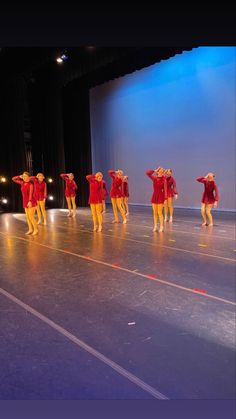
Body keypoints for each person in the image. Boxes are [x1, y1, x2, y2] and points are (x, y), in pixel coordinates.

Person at [146, 167, 167, 232]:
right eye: (159, 170)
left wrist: (165, 199)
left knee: (160, 212)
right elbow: (147, 173)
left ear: (163, 172)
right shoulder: (154, 178)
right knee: (154, 212)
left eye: (161, 171)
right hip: (154, 195)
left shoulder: (164, 180)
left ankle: (162, 226)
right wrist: (154, 170)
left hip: (161, 196)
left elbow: (165, 190)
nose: (160, 171)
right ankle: (155, 226)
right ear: (157, 172)